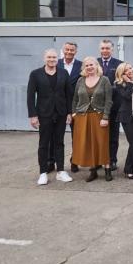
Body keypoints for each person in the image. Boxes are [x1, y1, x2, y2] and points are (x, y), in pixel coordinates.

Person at [27, 49, 73, 185]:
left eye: (54, 57)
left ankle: (60, 171)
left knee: (59, 142)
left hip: (60, 113)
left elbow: (68, 95)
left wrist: (69, 113)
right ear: (44, 58)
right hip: (44, 114)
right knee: (44, 144)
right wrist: (33, 115)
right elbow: (30, 96)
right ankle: (43, 173)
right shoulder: (35, 74)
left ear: (57, 58)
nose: (52, 59)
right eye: (49, 57)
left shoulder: (64, 73)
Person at [71, 57, 113, 182]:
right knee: (88, 144)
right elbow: (75, 99)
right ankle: (93, 170)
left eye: (91, 65)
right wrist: (74, 113)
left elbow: (108, 101)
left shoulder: (104, 80)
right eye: (87, 65)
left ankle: (107, 169)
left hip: (99, 116)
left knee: (102, 143)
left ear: (96, 66)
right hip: (82, 117)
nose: (89, 67)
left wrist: (105, 117)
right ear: (84, 68)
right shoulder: (80, 80)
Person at [98, 39, 122, 171]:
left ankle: (112, 160)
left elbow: (120, 84)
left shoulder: (119, 64)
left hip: (114, 107)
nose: (105, 51)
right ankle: (99, 160)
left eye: (107, 48)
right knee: (98, 136)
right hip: (97, 107)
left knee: (113, 136)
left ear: (112, 49)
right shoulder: (94, 63)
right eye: (102, 48)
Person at [57, 42, 82, 173]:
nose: (69, 52)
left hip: (75, 106)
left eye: (72, 50)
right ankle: (52, 161)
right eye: (67, 49)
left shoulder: (81, 65)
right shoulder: (56, 63)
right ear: (63, 49)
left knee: (76, 136)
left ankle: (75, 161)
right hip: (58, 105)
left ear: (75, 52)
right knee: (55, 136)